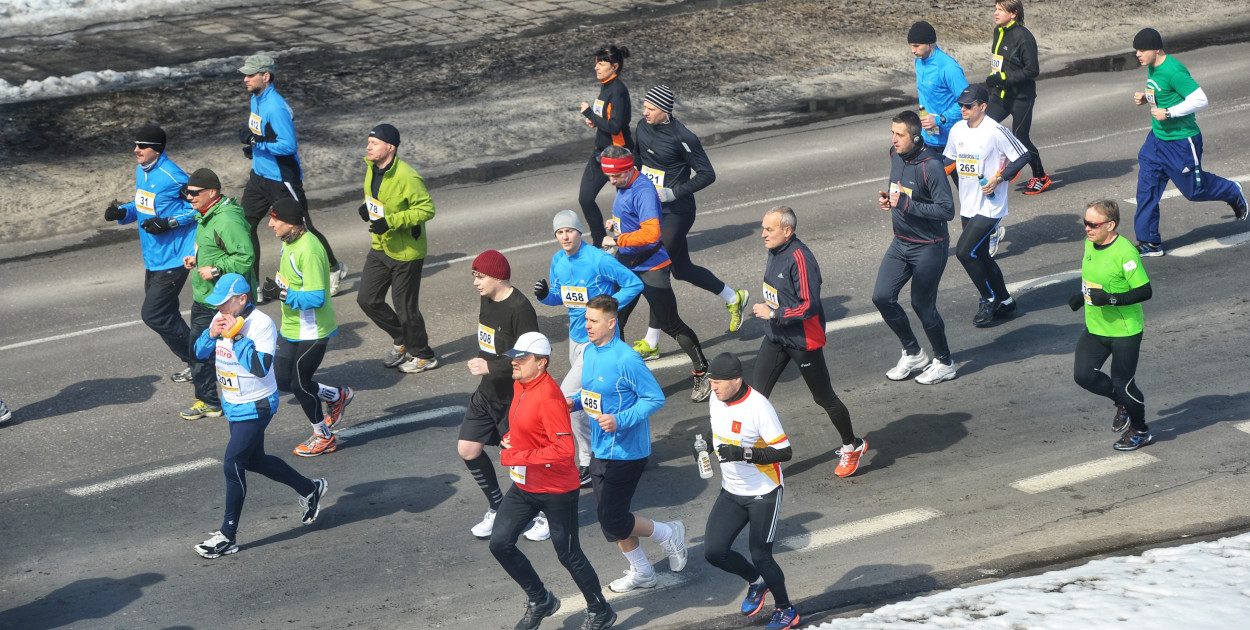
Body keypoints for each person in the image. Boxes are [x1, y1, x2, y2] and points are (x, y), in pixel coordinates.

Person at [191, 273, 328, 559]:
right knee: (255, 460)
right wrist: (211, 334)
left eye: (224, 303)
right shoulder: (222, 318)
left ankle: (227, 535)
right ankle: (310, 488)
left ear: (242, 299)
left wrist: (237, 336)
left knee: (233, 464)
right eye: (217, 304)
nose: (219, 308)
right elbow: (199, 354)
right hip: (233, 404)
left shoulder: (261, 324)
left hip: (257, 405)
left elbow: (260, 367)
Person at [488, 332, 617, 630]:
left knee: (568, 554)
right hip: (525, 486)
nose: (515, 363)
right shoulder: (520, 384)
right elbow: (529, 426)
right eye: (514, 357)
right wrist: (512, 437)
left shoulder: (548, 397)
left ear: (541, 363)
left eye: (522, 358)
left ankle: (600, 610)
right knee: (500, 543)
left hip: (557, 489)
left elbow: (564, 450)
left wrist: (517, 454)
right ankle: (540, 600)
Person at [577, 295, 688, 593]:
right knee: (610, 519)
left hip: (627, 451)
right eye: (586, 319)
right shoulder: (589, 351)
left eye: (594, 321)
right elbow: (591, 393)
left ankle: (668, 533)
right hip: (601, 448)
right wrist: (571, 403)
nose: (587, 325)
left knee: (612, 518)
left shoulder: (626, 358)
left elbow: (654, 398)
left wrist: (620, 420)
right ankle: (643, 572)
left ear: (611, 323)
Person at [752, 206, 866, 477]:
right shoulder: (774, 250)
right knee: (755, 398)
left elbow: (809, 306)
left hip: (802, 341)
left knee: (824, 397)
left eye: (769, 229)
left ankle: (852, 445)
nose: (763, 234)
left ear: (787, 231)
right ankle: (760, 454)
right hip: (776, 336)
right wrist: (774, 316)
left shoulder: (801, 258)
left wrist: (774, 313)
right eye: (763, 228)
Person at [534, 210, 643, 488]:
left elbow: (634, 283)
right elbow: (560, 296)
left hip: (599, 343)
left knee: (567, 398)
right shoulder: (558, 261)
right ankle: (620, 451)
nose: (565, 236)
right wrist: (545, 296)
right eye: (560, 232)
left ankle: (588, 460)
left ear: (579, 232)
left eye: (569, 230)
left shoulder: (598, 259)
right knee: (594, 399)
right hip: (576, 339)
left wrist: (607, 309)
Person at [633, 84, 749, 342]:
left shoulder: (683, 137)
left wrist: (673, 193)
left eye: (651, 108)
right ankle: (734, 297)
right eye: (644, 106)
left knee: (656, 270)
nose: (645, 112)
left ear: (665, 110)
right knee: (682, 269)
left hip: (677, 212)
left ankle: (651, 341)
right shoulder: (641, 127)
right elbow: (638, 160)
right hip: (651, 210)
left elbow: (707, 174)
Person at [599, 145, 712, 403]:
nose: (612, 181)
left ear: (629, 168)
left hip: (651, 266)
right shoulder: (624, 183)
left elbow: (652, 234)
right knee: (614, 321)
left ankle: (702, 371)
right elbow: (633, 219)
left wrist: (618, 240)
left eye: (616, 176)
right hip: (628, 266)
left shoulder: (643, 191)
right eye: (609, 177)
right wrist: (617, 225)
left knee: (670, 324)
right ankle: (624, 379)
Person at [703, 353, 801, 630]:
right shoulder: (716, 397)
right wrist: (706, 443)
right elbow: (717, 425)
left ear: (737, 380)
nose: (713, 387)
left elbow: (784, 452)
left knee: (761, 555)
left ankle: (786, 610)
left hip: (763, 492)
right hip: (731, 490)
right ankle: (757, 582)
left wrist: (744, 453)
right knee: (714, 552)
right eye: (711, 381)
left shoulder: (758, 407)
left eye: (718, 382)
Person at [1130, 27, 1248, 257]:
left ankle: (1232, 190)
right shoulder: (1152, 67)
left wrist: (1169, 113)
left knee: (1194, 191)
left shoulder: (1174, 70)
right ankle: (1150, 242)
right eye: (1136, 50)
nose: (1137, 54)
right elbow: (1165, 92)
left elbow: (1200, 99)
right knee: (1146, 189)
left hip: (1181, 142)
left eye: (1142, 50)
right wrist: (1147, 98)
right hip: (1157, 141)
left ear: (1156, 49)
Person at [236, 55, 347, 296]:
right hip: (259, 176)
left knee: (302, 227)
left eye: (250, 75)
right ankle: (252, 285)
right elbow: (264, 134)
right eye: (245, 74)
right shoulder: (256, 99)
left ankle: (333, 268)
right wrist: (255, 149)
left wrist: (256, 142)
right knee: (245, 227)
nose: (245, 79)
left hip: (282, 179)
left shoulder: (276, 107)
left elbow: (287, 145)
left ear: (265, 76)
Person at [104, 124, 199, 383]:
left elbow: (199, 208)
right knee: (166, 314)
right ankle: (197, 362)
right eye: (135, 144)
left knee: (154, 314)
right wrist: (123, 212)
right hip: (154, 257)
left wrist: (169, 222)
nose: (136, 150)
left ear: (156, 149)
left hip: (176, 257)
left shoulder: (173, 176)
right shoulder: (142, 171)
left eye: (142, 146)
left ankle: (202, 362)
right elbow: (143, 203)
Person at [261, 199, 355, 457]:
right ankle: (336, 395)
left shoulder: (309, 250)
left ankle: (323, 437)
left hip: (313, 330)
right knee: (282, 379)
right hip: (292, 327)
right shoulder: (288, 240)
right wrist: (278, 290)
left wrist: (281, 294)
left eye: (275, 219)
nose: (270, 224)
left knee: (300, 384)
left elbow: (316, 298)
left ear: (291, 223)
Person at [459, 251, 541, 540]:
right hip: (487, 393)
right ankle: (497, 507)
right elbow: (490, 339)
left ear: (498, 277)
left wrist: (491, 367)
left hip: (513, 398)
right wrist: (483, 361)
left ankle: (543, 513)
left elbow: (532, 357)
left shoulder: (520, 309)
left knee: (521, 460)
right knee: (468, 449)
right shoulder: (487, 298)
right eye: (474, 276)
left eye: (480, 277)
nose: (475, 282)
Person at [873, 111, 958, 384]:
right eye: (892, 133)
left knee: (922, 305)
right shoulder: (895, 155)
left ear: (917, 138)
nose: (894, 139)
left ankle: (945, 362)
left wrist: (905, 204)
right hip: (901, 242)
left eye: (899, 135)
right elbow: (901, 191)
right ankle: (913, 353)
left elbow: (946, 210)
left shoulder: (931, 166)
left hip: (929, 247)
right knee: (882, 297)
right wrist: (890, 200)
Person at [1068, 200, 1155, 451]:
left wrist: (1110, 299)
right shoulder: (1090, 243)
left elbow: (1145, 291)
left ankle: (1140, 431)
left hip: (1124, 331)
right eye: (1085, 222)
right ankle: (1122, 404)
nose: (1087, 228)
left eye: (1093, 224)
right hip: (1096, 327)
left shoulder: (1125, 252)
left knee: (1123, 384)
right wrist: (1083, 296)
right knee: (1083, 376)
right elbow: (1098, 279)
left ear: (1110, 225)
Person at [356, 123, 440, 374]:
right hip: (380, 245)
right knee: (367, 299)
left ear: (390, 147)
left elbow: (426, 210)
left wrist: (390, 221)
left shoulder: (407, 175)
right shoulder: (372, 168)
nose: (368, 147)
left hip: (406, 252)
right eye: (368, 142)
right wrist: (367, 207)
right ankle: (402, 337)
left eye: (374, 143)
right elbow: (379, 196)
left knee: (405, 308)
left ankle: (424, 355)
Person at [944, 84, 1031, 327]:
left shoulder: (995, 131)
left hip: (990, 206)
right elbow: (949, 160)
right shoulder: (957, 130)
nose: (963, 109)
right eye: (961, 105)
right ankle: (1007, 302)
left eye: (968, 106)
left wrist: (998, 179)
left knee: (964, 252)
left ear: (982, 107)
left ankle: (988, 298)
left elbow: (1024, 155)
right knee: (981, 254)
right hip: (968, 204)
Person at [180, 168, 257, 420]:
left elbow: (245, 257)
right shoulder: (206, 215)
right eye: (187, 192)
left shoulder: (227, 220)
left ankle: (234, 399)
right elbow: (215, 248)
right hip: (207, 296)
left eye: (194, 193)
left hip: (226, 301)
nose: (189, 197)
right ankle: (212, 400)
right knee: (202, 350)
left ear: (212, 192)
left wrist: (215, 269)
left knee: (222, 351)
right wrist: (197, 259)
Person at [986, 0, 1049, 195]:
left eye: (1000, 10)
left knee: (1021, 138)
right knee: (985, 127)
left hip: (1022, 98)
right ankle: (1013, 162)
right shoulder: (998, 31)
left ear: (1013, 14)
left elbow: (1032, 70)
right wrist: (995, 80)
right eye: (995, 9)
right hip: (1000, 95)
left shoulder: (1024, 37)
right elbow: (1001, 63)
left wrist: (1004, 78)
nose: (995, 13)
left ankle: (1041, 177)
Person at [577, 44, 633, 248]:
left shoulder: (617, 90)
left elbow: (616, 126)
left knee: (624, 205)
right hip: (600, 153)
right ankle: (600, 240)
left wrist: (589, 114)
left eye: (601, 63)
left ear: (614, 66)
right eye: (596, 63)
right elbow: (608, 119)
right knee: (585, 198)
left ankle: (628, 242)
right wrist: (595, 120)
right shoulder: (606, 85)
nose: (596, 67)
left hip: (618, 156)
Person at [908, 21, 969, 188]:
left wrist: (939, 119)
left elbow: (967, 102)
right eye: (911, 46)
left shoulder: (948, 68)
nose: (913, 50)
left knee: (965, 189)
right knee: (926, 188)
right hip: (929, 138)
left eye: (916, 45)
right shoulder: (919, 62)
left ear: (930, 43)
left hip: (951, 140)